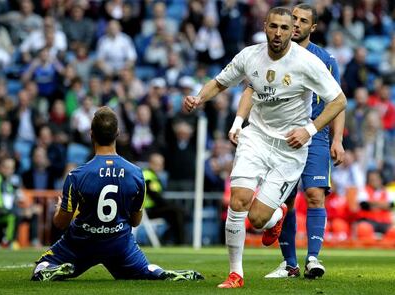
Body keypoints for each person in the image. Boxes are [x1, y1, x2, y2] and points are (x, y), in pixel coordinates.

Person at [183, 7, 346, 288]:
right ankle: (236, 273)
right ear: (265, 26)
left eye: (285, 28)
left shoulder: (308, 62)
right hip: (255, 138)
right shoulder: (249, 56)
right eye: (274, 27)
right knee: (238, 202)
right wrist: (199, 98)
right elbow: (221, 82)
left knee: (258, 219)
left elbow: (339, 100)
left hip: (289, 149)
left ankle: (277, 217)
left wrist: (309, 130)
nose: (279, 33)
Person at [229, 4, 345, 280]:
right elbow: (251, 90)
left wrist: (337, 139)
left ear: (312, 28)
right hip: (277, 135)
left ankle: (313, 258)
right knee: (286, 202)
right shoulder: (270, 53)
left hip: (314, 133)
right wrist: (239, 121)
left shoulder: (324, 59)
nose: (295, 24)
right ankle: (289, 263)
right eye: (292, 18)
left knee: (315, 194)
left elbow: (339, 101)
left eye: (302, 21)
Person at [31, 106, 203, 282]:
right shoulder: (136, 173)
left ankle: (50, 268)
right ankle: (159, 272)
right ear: (117, 133)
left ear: (91, 134)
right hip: (119, 243)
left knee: (42, 265)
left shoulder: (77, 175)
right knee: (143, 271)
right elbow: (136, 221)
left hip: (82, 241)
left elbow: (61, 223)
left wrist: (60, 209)